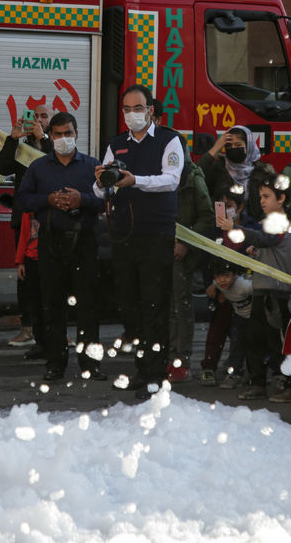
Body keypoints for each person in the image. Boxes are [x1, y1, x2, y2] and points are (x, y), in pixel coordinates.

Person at [95, 85, 183, 394]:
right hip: (124, 235)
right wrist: (100, 181)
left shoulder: (169, 139)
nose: (132, 114)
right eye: (127, 109)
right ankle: (142, 368)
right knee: (130, 306)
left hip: (156, 235)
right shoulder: (117, 144)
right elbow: (103, 188)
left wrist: (136, 180)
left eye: (138, 108)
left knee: (154, 304)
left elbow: (171, 180)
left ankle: (155, 373)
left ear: (150, 110)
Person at [15, 111, 107, 382]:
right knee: (52, 304)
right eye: (57, 134)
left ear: (77, 134)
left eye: (68, 133)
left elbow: (108, 201)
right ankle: (55, 364)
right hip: (51, 241)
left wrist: (83, 200)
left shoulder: (92, 166)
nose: (63, 138)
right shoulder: (39, 167)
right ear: (49, 136)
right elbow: (21, 200)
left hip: (85, 241)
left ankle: (91, 364)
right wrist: (49, 200)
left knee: (88, 305)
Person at [222, 181, 291, 401]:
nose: (262, 201)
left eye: (267, 196)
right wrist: (255, 251)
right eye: (260, 196)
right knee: (254, 339)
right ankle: (258, 382)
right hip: (261, 289)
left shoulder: (281, 222)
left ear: (281, 199)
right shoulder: (266, 222)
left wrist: (235, 228)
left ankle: (288, 384)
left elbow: (266, 239)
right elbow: (264, 243)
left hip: (277, 291)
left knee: (278, 341)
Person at [0, 104, 53, 348]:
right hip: (26, 219)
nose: (38, 120)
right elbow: (1, 168)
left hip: (52, 219)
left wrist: (44, 139)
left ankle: (54, 328)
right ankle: (27, 328)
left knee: (54, 276)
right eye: (34, 116)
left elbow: (59, 165)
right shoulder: (21, 146)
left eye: (44, 116)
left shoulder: (56, 143)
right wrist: (13, 138)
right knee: (25, 276)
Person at [168, 141, 215, 382]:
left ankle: (180, 361)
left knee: (180, 307)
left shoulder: (192, 178)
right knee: (163, 307)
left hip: (180, 253)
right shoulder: (162, 173)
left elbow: (207, 217)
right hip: (159, 249)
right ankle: (165, 357)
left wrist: (185, 244)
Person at [203, 261, 253, 387]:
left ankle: (255, 374)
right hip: (239, 317)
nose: (222, 281)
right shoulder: (219, 284)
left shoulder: (244, 286)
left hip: (254, 317)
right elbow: (216, 282)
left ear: (235, 275)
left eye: (226, 276)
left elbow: (257, 289)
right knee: (236, 345)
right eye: (218, 277)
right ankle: (234, 373)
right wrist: (214, 286)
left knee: (255, 346)